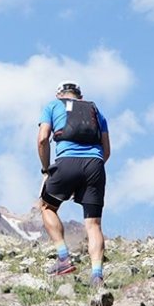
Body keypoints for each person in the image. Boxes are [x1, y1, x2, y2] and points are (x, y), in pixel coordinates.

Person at [37, 80, 110, 288]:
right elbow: (107, 151)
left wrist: (46, 169)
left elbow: (43, 139)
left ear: (60, 94)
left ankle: (63, 258)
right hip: (95, 165)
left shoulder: (53, 106)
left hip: (66, 162)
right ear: (80, 96)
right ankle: (97, 275)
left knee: (46, 206)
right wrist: (89, 171)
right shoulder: (96, 111)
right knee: (94, 224)